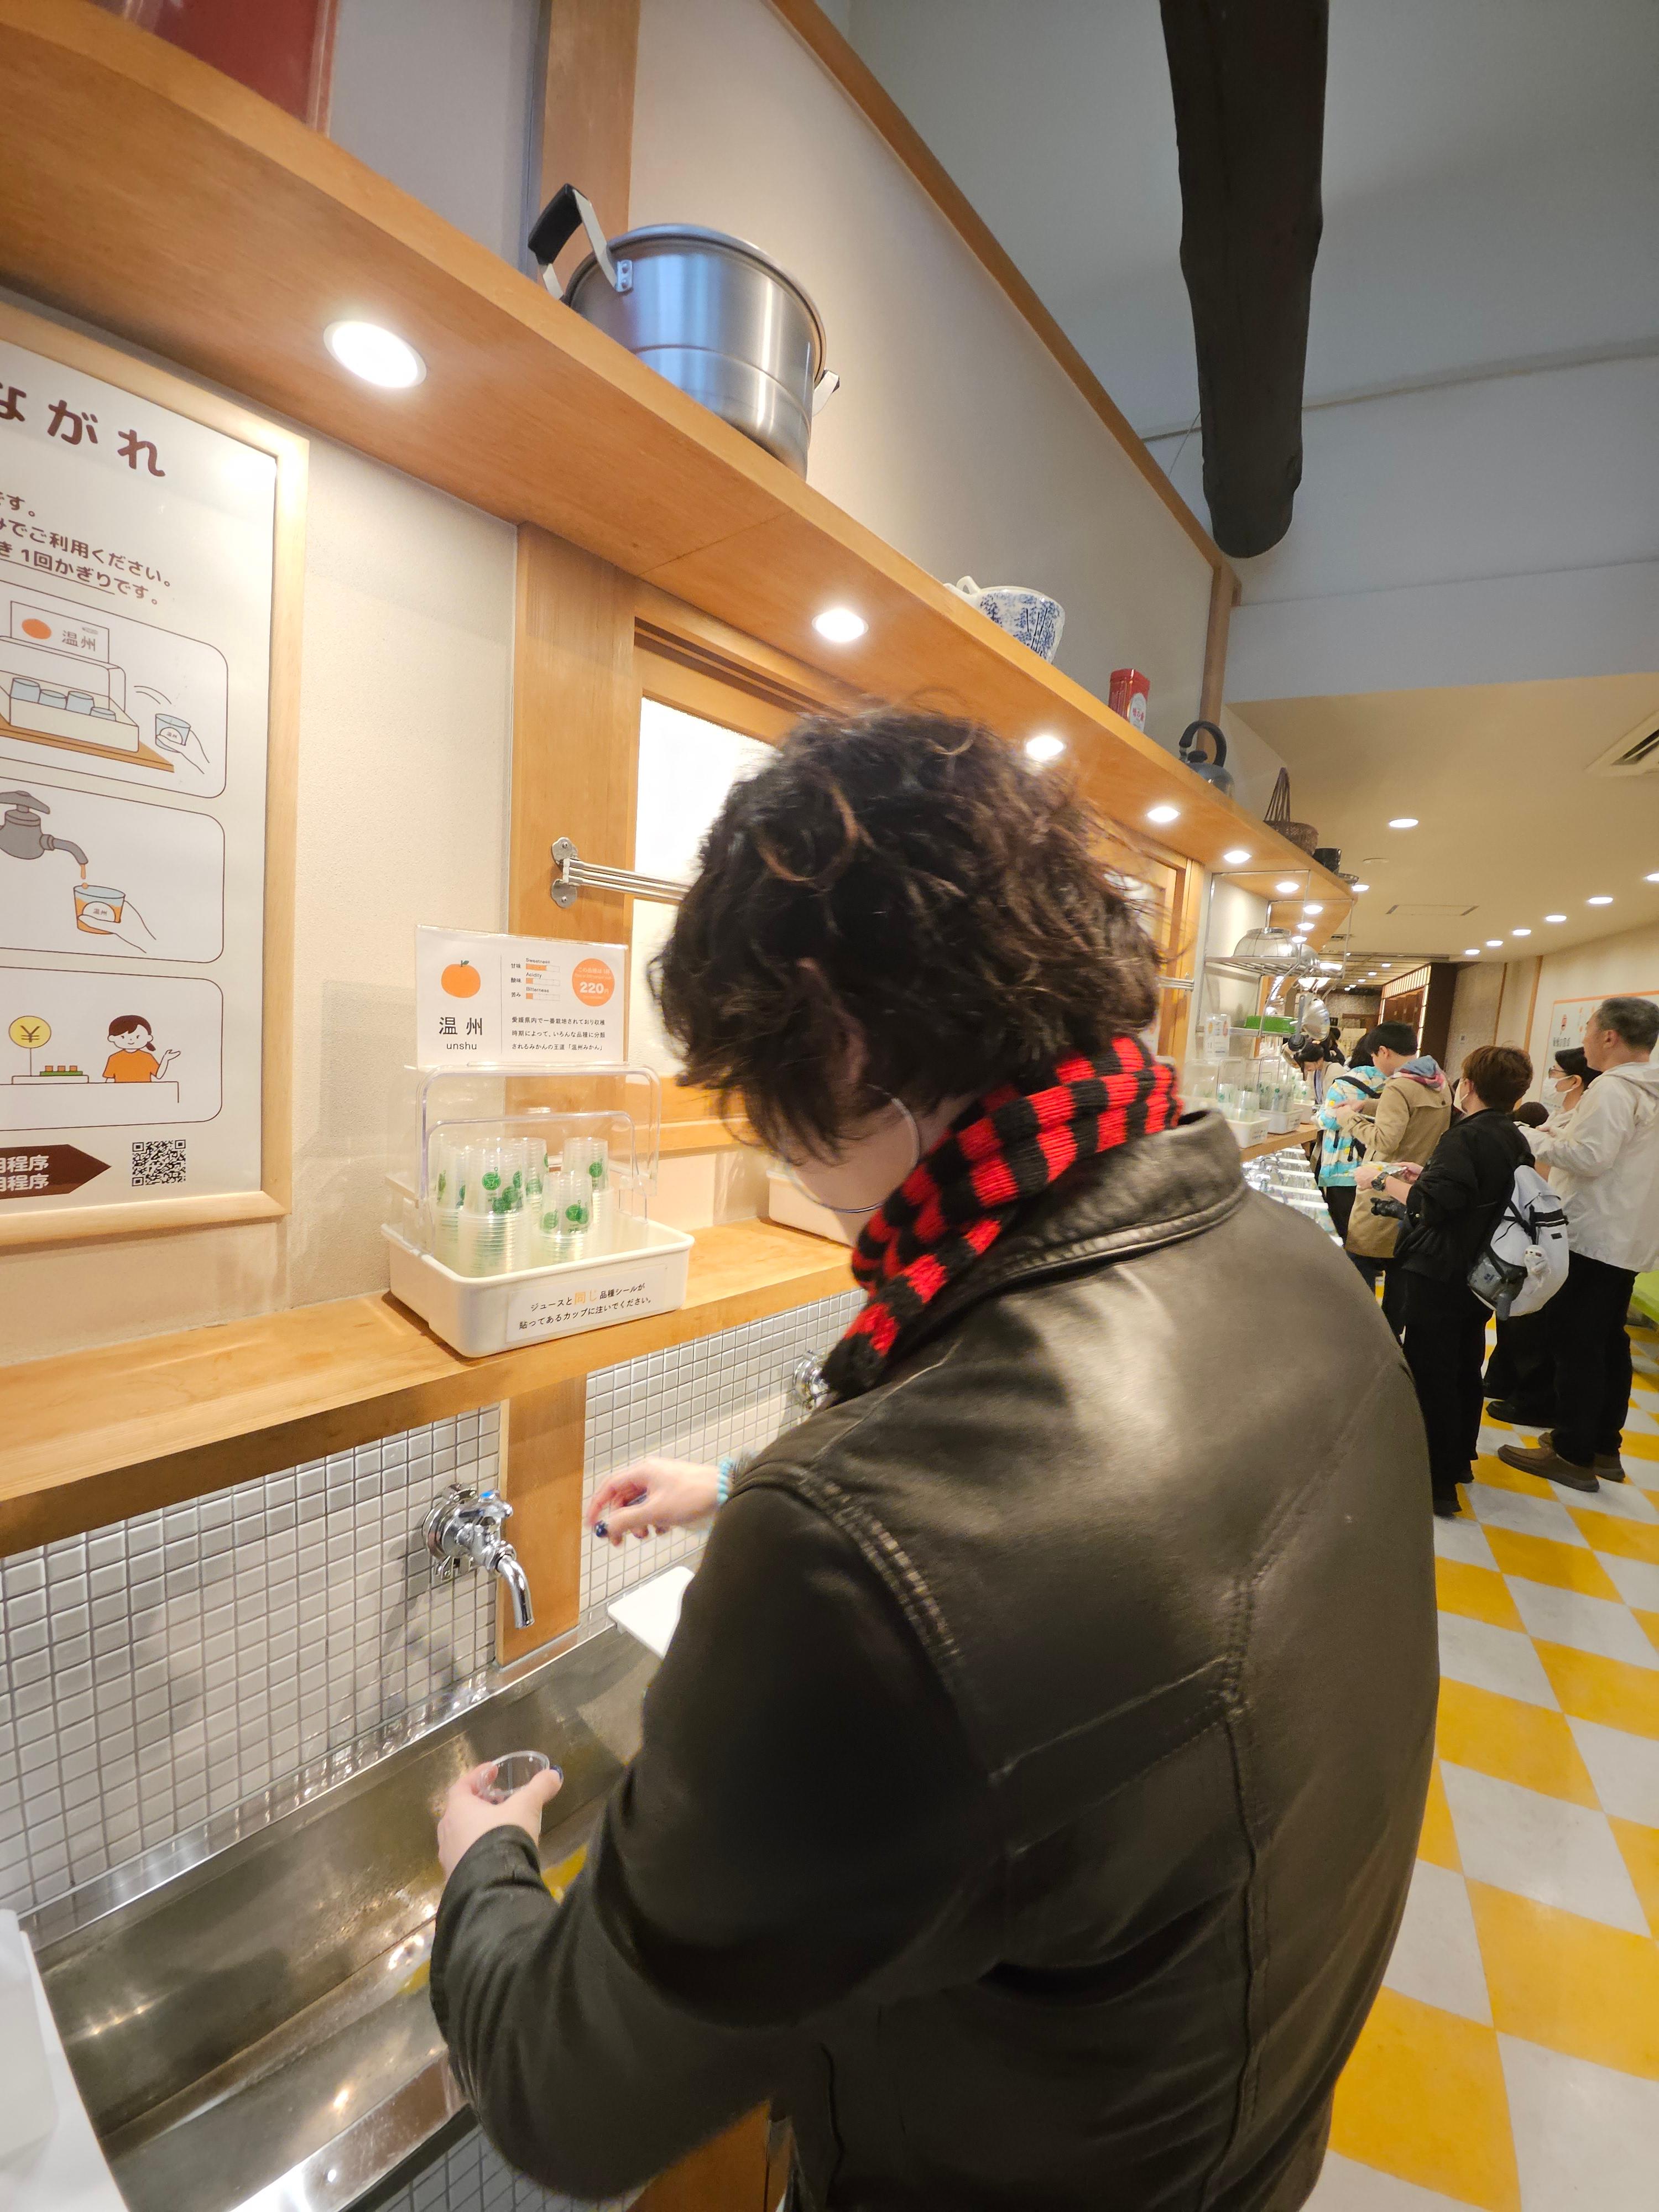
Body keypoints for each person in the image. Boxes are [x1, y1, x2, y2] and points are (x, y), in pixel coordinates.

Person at [426, 709, 1437, 2212]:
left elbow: (565, 2098)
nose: (780, 1153)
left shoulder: (862, 1553)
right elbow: (1071, 1578)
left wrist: (485, 1864)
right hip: (1240, 2142)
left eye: (761, 1101)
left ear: (835, 1038)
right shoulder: (1285, 1265)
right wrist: (753, 1490)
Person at [1364, 1046, 1532, 1517]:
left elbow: (1434, 1207)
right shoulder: (1512, 1136)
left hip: (1441, 1270)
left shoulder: (1465, 1137)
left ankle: (1432, 1479)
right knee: (1463, 1365)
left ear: (1469, 1086)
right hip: (1481, 1271)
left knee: (1431, 1369)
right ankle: (1457, 1460)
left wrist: (1380, 1180)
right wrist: (1426, 1175)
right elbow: (1473, 1192)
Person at [1500, 996, 1659, 1493]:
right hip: (1629, 1237)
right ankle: (1604, 1446)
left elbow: (1589, 1157)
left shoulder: (1614, 1087)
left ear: (1610, 1036)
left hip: (1593, 1236)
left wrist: (1527, 1137)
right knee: (1608, 1342)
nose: (1584, 1038)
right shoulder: (1647, 1087)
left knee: (1577, 1345)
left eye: (1588, 1028)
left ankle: (1571, 1452)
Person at [1483, 1048, 1600, 1423]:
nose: (1550, 1079)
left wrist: (1531, 1138)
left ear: (1575, 1081)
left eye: (1555, 1072)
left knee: (1536, 1320)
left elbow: (1564, 1165)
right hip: (1537, 1223)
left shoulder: (1583, 1123)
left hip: (1557, 1226)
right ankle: (1503, 1378)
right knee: (1513, 1309)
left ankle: (1532, 1398)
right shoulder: (1563, 1117)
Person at [1343, 1024, 1453, 1335]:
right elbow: (1410, 1113)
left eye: (1374, 1056)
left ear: (1384, 1051)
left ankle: (1362, 1333)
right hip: (1417, 1183)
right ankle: (1391, 1337)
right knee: (1400, 1267)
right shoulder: (1437, 1080)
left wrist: (1349, 1119)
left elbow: (1385, 1141)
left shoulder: (1398, 1086)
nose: (1374, 1062)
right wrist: (1367, 1105)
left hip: (1384, 1185)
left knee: (1359, 1259)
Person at [1316, 1030, 1386, 1280]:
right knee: (1368, 1235)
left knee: (1346, 1234)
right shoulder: (1396, 1085)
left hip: (1342, 1168)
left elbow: (1328, 1120)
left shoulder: (1345, 1083)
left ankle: (1347, 1284)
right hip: (1377, 1168)